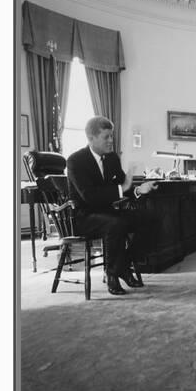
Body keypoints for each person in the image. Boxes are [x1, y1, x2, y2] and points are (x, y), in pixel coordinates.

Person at [67, 116, 159, 295]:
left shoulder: (112, 159)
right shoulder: (75, 161)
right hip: (84, 217)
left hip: (109, 214)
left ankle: (122, 267)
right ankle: (112, 274)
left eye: (112, 136)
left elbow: (124, 189)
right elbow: (89, 197)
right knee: (115, 224)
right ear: (91, 138)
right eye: (106, 137)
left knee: (149, 219)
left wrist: (139, 190)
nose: (111, 141)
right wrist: (122, 188)